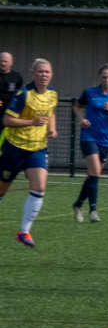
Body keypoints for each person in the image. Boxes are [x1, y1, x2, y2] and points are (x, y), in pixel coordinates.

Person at [1, 57, 60, 246]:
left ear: (51, 75)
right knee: (2, 191)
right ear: (33, 74)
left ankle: (24, 232)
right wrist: (32, 122)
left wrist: (52, 128)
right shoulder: (23, 94)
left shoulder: (52, 95)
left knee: (39, 187)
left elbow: (50, 112)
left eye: (47, 72)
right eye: (40, 72)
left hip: (37, 149)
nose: (44, 75)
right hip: (14, 149)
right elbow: (7, 121)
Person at [71, 64, 108, 223]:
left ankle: (78, 204)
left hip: (105, 140)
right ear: (99, 78)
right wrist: (82, 119)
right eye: (104, 77)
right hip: (89, 136)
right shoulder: (89, 92)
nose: (107, 80)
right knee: (94, 171)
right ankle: (93, 211)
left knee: (93, 176)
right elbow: (77, 105)